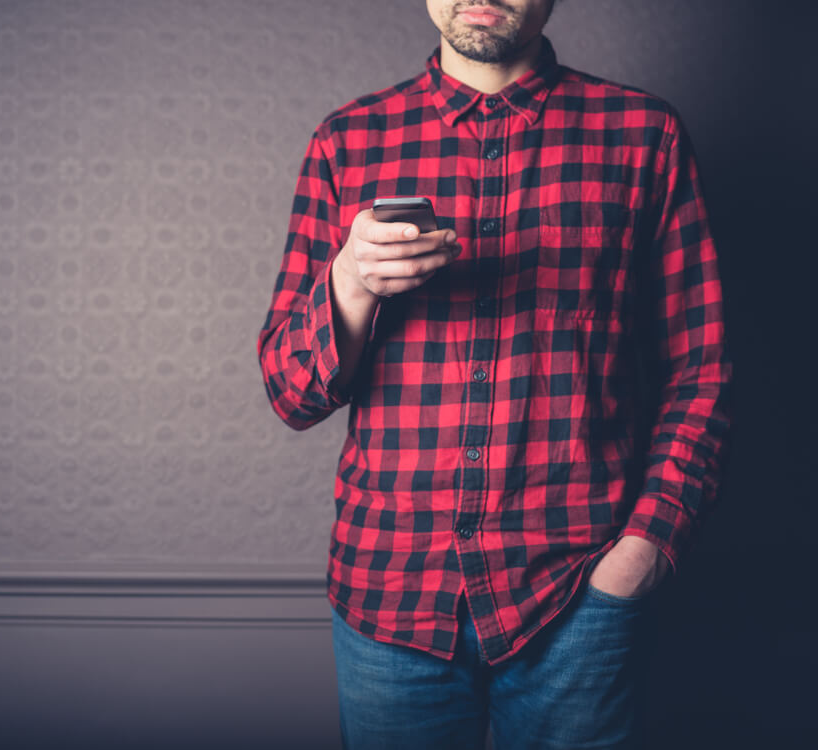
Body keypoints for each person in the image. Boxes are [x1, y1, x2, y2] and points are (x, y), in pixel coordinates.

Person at [256, 1, 731, 747]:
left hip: (579, 601)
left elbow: (700, 370)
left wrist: (641, 556)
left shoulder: (644, 135)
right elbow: (291, 394)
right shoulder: (347, 141)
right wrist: (349, 281)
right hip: (390, 596)